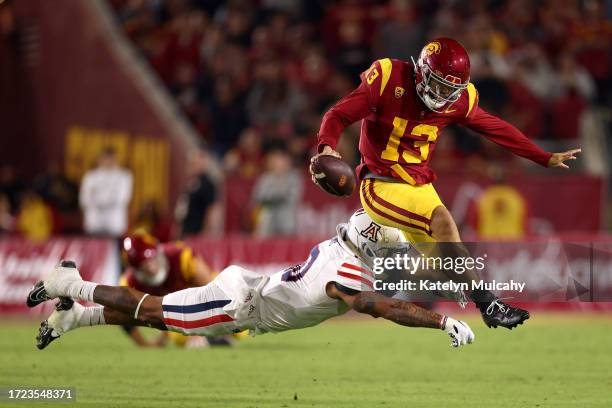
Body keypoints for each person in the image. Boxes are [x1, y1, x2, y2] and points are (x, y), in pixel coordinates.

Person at [310, 38, 580, 328]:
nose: (443, 94)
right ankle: (488, 304)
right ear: (422, 72)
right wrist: (327, 145)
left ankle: (400, 276)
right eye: (438, 84)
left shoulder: (460, 100)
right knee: (442, 221)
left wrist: (542, 157)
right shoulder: (389, 77)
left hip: (419, 185)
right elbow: (338, 114)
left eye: (450, 89)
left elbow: (496, 128)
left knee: (450, 264)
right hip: (381, 182)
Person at [28, 210, 475, 350]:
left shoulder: (342, 249)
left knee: (162, 321)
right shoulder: (345, 273)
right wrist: (439, 323)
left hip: (249, 301)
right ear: (374, 244)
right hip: (240, 302)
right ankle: (70, 284)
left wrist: (452, 278)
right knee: (155, 309)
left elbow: (400, 276)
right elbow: (378, 306)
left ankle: (76, 320)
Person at [119, 232, 229, 348]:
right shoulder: (129, 283)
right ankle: (216, 339)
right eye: (144, 267)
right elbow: (122, 315)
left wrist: (198, 329)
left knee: (235, 322)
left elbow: (212, 289)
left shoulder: (181, 256)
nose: (151, 269)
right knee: (179, 335)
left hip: (208, 301)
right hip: (181, 314)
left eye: (152, 261)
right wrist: (144, 345)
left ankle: (217, 336)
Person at [79, 148, 133, 237]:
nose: (108, 161)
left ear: (115, 159)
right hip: (94, 222)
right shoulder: (90, 176)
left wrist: (98, 199)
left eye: (110, 159)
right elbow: (84, 199)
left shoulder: (124, 176)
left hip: (114, 223)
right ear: (100, 159)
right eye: (105, 158)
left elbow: (122, 199)